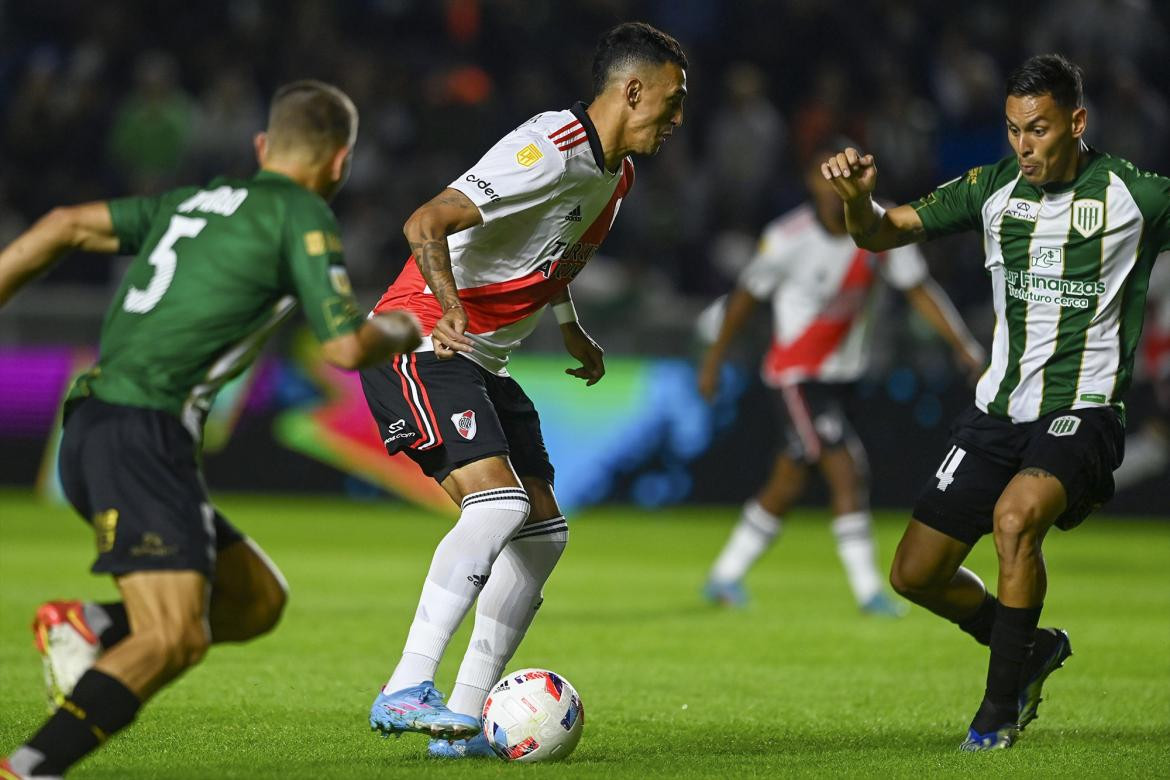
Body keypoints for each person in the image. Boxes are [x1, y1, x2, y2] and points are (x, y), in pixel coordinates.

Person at [0, 80, 421, 779]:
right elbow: (346, 347)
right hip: (141, 431)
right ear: (340, 162)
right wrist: (407, 326)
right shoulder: (301, 214)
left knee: (256, 601)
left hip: (98, 428)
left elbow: (65, 223)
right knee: (173, 638)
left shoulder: (194, 200)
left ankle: (90, 626)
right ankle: (29, 767)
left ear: (262, 147)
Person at [821, 54, 1170, 751]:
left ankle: (997, 711)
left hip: (1084, 411)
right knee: (914, 574)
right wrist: (858, 199)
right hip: (997, 412)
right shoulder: (991, 189)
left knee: (1016, 520)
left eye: (1038, 129)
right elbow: (881, 233)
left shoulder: (1136, 195)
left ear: (1076, 122)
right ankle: (1031, 648)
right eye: (1013, 129)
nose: (1024, 145)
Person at [358, 22, 687, 758]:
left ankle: (469, 720)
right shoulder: (548, 149)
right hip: (419, 339)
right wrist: (446, 306)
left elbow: (556, 260)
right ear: (631, 90)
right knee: (499, 503)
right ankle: (406, 686)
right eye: (672, 100)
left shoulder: (616, 177)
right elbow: (426, 221)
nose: (677, 117)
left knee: (542, 537)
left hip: (483, 364)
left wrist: (570, 327)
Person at [698, 141, 985, 615]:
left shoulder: (881, 227)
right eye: (825, 176)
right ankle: (869, 590)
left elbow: (918, 289)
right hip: (796, 378)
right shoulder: (787, 238)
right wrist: (713, 361)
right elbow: (745, 297)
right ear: (812, 181)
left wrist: (963, 346)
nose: (835, 187)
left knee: (788, 481)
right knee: (847, 469)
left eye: (844, 175)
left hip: (844, 379)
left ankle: (723, 577)